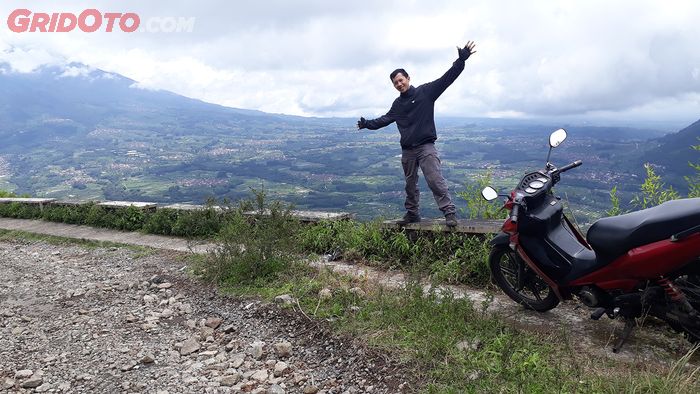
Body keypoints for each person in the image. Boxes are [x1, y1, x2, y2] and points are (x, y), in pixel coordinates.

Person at [357, 41, 476, 227]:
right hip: (408, 151)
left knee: (435, 180)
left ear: (408, 78)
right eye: (395, 82)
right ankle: (412, 214)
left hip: (426, 147)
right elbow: (385, 119)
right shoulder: (397, 104)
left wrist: (460, 61)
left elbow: (447, 78)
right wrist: (367, 125)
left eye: (401, 80)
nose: (399, 84)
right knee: (410, 185)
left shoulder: (425, 92)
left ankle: (449, 213)